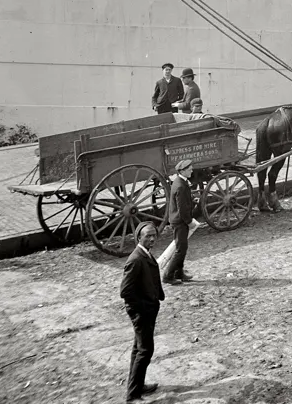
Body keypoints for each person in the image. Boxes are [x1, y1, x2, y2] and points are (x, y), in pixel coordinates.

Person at [120, 223, 164, 402]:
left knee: (138, 348)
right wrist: (143, 307)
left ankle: (137, 385)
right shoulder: (136, 259)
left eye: (154, 235)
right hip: (142, 312)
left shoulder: (144, 253)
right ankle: (133, 396)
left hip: (147, 308)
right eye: (148, 236)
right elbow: (125, 292)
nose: (152, 239)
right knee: (145, 350)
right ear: (139, 237)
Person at [163, 159, 195, 284]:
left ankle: (179, 273)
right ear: (182, 171)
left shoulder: (180, 182)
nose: (191, 170)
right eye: (189, 169)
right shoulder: (181, 186)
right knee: (180, 250)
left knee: (182, 247)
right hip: (180, 221)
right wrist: (189, 221)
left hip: (178, 220)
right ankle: (168, 276)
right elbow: (181, 209)